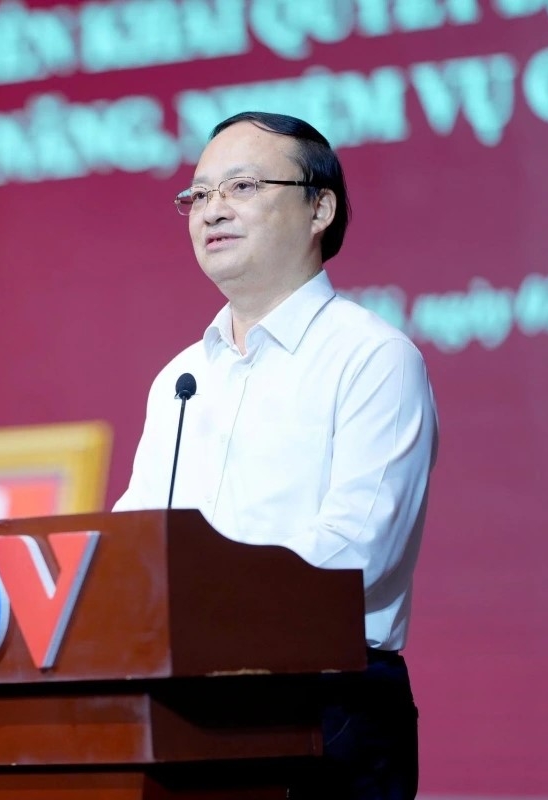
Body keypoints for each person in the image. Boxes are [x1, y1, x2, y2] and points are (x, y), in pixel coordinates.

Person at [113, 111, 439, 799]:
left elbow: (356, 554)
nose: (212, 211)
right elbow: (134, 543)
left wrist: (202, 609)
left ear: (319, 207)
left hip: (325, 711)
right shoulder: (179, 378)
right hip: (183, 709)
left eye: (241, 186)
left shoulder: (372, 358)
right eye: (198, 195)